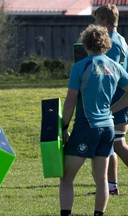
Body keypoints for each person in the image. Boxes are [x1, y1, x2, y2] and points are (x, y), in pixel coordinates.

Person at [60, 25, 128, 216]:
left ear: (85, 43)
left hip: (86, 127)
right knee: (101, 180)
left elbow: (70, 100)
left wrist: (64, 126)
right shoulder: (115, 66)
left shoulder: (80, 66)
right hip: (108, 128)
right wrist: (112, 110)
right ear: (105, 43)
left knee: (66, 177)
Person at [94, 4, 128, 195]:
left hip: (118, 99)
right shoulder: (120, 39)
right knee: (112, 142)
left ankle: (111, 186)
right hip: (118, 98)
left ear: (105, 21)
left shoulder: (112, 44)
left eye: (97, 21)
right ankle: (111, 187)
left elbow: (109, 74)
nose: (95, 25)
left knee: (118, 143)